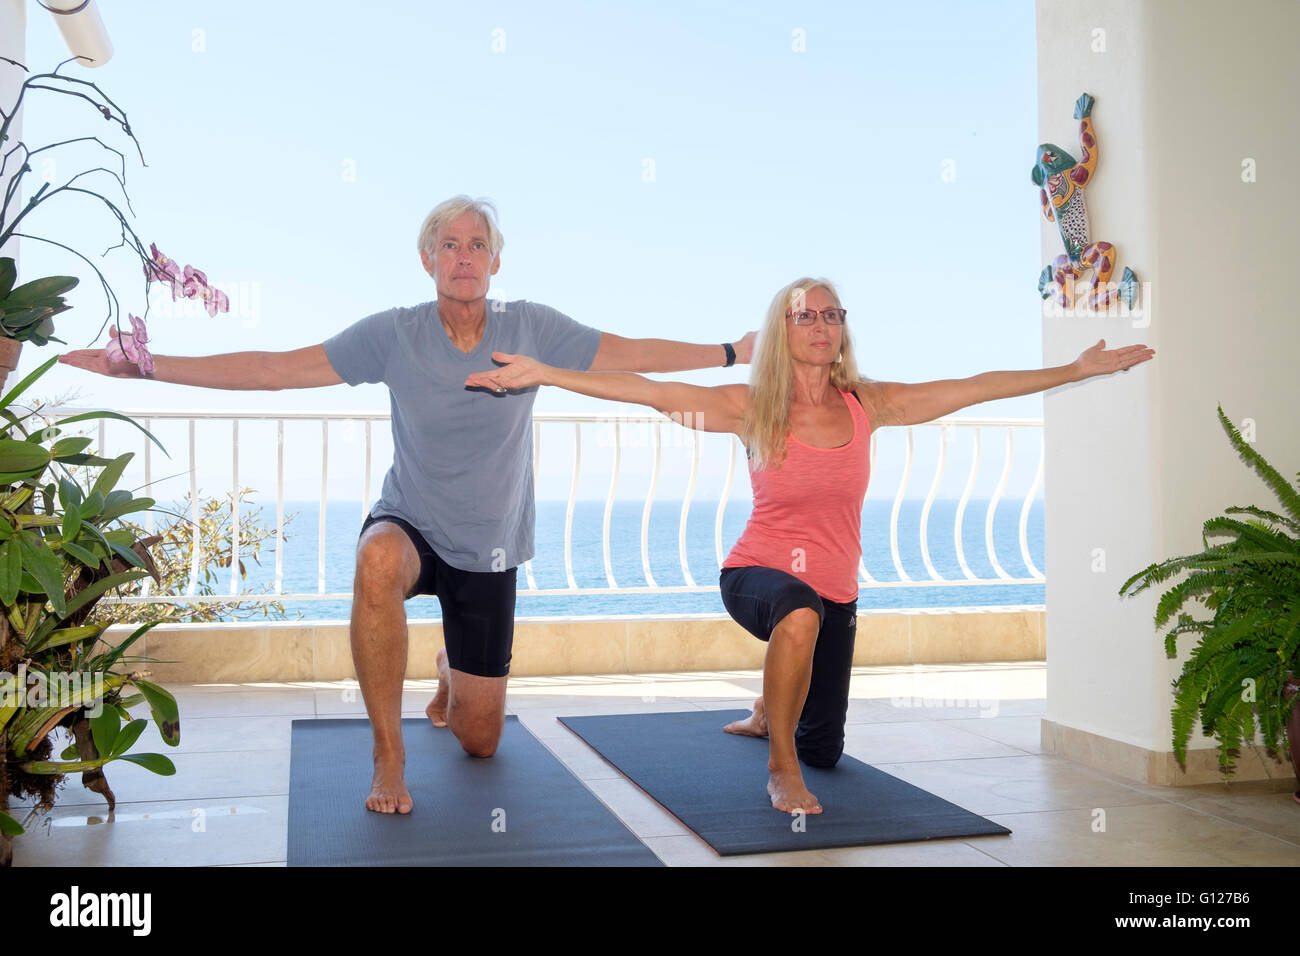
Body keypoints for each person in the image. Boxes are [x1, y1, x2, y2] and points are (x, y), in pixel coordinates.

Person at [56, 195, 756, 815]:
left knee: (480, 742)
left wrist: (729, 351)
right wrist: (145, 364)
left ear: (495, 261)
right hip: (413, 522)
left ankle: (452, 671)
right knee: (376, 558)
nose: (463, 257)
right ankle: (387, 750)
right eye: (449, 245)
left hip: (489, 546)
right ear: (427, 259)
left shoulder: (532, 328)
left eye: (476, 244)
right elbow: (273, 371)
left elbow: (627, 351)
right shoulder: (394, 334)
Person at [465, 276, 1155, 814]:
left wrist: (1072, 370)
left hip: (837, 594)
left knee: (828, 746)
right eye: (805, 315)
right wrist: (548, 374)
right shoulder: (749, 406)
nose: (821, 324)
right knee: (797, 615)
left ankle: (778, 719)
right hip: (756, 575)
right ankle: (779, 768)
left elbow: (971, 388)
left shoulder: (869, 403)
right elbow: (651, 391)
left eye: (831, 314)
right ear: (781, 330)